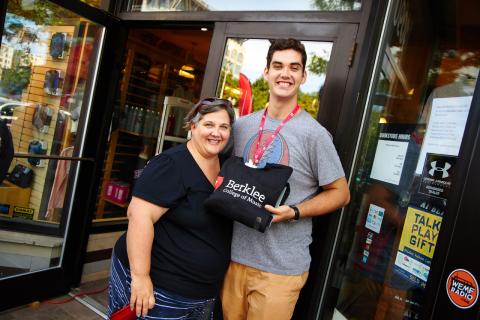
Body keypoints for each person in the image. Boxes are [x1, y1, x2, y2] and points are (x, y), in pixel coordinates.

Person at [221, 38, 351, 320]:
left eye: (294, 68)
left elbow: (341, 193)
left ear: (303, 76)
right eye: (278, 66)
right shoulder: (242, 126)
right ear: (266, 72)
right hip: (234, 259)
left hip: (280, 269)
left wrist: (294, 212)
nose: (285, 74)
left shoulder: (314, 134)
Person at [108, 97, 235, 319]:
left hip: (200, 293)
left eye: (223, 127)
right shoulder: (171, 164)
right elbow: (138, 216)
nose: (217, 133)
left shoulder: (226, 166)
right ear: (193, 126)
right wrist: (141, 277)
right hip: (160, 290)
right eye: (209, 125)